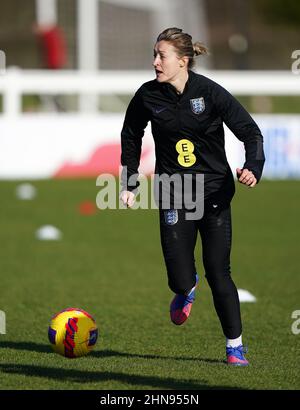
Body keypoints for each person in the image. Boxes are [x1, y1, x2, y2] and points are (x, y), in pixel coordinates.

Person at [120, 27, 265, 366]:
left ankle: (234, 346)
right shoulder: (147, 96)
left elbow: (249, 131)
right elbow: (131, 134)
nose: (155, 62)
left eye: (162, 56)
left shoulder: (210, 93)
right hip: (174, 193)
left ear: (183, 61)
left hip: (214, 192)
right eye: (154, 55)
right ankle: (186, 288)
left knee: (219, 272)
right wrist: (129, 182)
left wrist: (253, 165)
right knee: (179, 278)